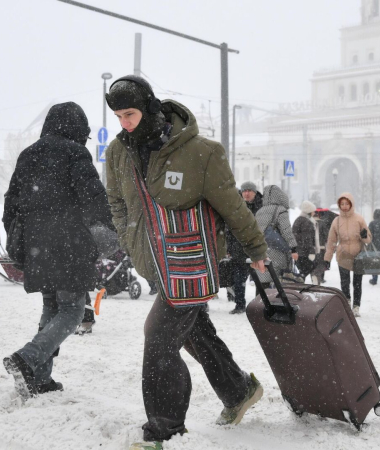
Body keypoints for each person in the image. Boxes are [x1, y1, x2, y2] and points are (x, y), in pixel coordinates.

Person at [103, 75, 268, 445]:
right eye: (118, 117)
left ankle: (164, 430)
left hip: (194, 262)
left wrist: (256, 250)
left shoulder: (201, 151)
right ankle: (238, 390)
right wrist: (129, 239)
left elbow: (232, 205)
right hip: (155, 263)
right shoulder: (117, 152)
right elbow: (115, 202)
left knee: (158, 337)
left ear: (148, 108)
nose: (125, 123)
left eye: (130, 114)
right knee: (194, 331)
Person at [1, 101, 113, 398]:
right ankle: (28, 358)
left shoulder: (28, 154)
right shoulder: (75, 152)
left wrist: (16, 239)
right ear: (77, 128)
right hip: (70, 244)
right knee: (73, 311)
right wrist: (105, 228)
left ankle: (39, 378)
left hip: (38, 246)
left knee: (52, 306)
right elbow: (93, 197)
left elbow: (11, 203)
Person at [324, 193, 372, 317]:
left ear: (351, 204)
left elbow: (369, 239)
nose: (344, 206)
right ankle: (347, 303)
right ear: (339, 205)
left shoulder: (359, 219)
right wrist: (327, 258)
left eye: (347, 204)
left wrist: (364, 236)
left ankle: (356, 306)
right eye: (342, 204)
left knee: (357, 282)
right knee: (344, 282)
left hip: (358, 254)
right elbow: (331, 241)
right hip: (343, 254)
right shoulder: (336, 221)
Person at [225, 182, 264, 310]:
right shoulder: (236, 206)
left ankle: (259, 306)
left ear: (255, 192)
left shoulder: (262, 207)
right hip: (239, 248)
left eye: (249, 191)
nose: (246, 193)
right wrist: (229, 247)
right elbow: (229, 228)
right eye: (244, 191)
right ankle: (240, 304)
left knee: (260, 279)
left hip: (256, 248)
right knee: (238, 279)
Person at [254, 185, 298, 287]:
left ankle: (261, 301)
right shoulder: (280, 210)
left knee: (263, 282)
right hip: (278, 251)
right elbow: (286, 230)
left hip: (262, 251)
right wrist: (293, 248)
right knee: (278, 283)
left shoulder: (259, 211)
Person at [292, 200, 319, 284]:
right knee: (308, 269)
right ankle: (299, 286)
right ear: (309, 211)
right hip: (305, 252)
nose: (314, 212)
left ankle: (299, 286)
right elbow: (307, 239)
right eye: (313, 211)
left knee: (302, 271)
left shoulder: (298, 220)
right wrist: (311, 252)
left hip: (298, 251)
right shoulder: (306, 222)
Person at [312, 208, 338, 284]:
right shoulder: (323, 223)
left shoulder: (309, 223)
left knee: (314, 263)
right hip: (321, 247)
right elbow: (327, 236)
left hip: (312, 248)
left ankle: (314, 276)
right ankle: (320, 278)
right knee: (320, 263)